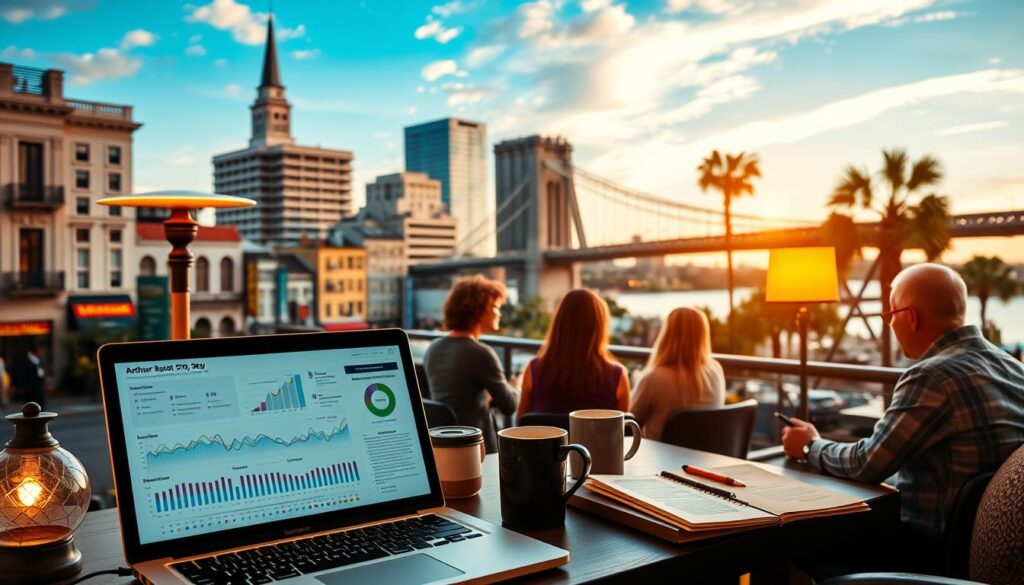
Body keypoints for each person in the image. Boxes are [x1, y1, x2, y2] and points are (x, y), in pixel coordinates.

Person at [782, 264, 1024, 568]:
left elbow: (867, 464)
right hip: (983, 549)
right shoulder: (1013, 367)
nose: (889, 325)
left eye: (890, 315)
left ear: (910, 317)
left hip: (924, 550)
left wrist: (809, 445)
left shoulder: (930, 376)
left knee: (795, 536)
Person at [423, 275, 519, 454]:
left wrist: (485, 398)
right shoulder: (480, 353)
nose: (499, 313)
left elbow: (456, 397)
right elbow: (509, 406)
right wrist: (514, 386)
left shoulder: (433, 349)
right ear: (479, 311)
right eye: (496, 307)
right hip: (477, 450)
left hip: (443, 447)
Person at [517, 289, 629, 418]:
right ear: (598, 328)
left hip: (547, 439)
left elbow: (521, 424)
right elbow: (624, 432)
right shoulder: (618, 376)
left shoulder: (533, 370)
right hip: (596, 439)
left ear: (559, 323)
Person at [631, 307, 725, 440]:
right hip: (706, 458)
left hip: (660, 459)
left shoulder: (654, 378)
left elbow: (630, 422)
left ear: (667, 334)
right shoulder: (716, 370)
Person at [13, 344, 46, 411]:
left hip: (38, 386)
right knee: (28, 405)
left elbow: (40, 372)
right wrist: (21, 386)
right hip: (28, 388)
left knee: (41, 403)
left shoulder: (38, 360)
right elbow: (21, 375)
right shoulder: (25, 361)